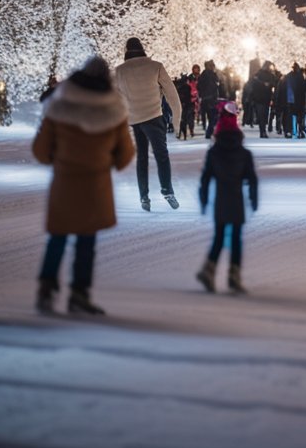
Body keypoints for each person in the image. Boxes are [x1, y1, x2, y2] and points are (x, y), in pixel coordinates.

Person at [32, 56, 134, 315]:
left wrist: (59, 158)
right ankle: (79, 293)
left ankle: (46, 288)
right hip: (95, 184)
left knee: (58, 236)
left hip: (64, 182)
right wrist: (106, 161)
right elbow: (125, 155)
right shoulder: (114, 110)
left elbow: (41, 151)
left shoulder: (59, 106)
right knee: (86, 240)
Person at [196, 102, 259, 294]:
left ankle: (209, 269)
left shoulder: (214, 153)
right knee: (236, 238)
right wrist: (253, 198)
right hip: (236, 199)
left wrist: (204, 199)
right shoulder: (244, 154)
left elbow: (206, 178)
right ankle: (234, 274)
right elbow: (252, 179)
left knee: (219, 236)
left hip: (221, 200)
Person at [113, 38, 182, 211]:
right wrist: (177, 121)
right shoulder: (155, 66)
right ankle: (167, 191)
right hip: (154, 116)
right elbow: (172, 95)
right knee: (161, 154)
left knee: (141, 158)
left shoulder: (119, 71)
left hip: (135, 119)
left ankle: (144, 197)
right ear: (142, 48)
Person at [197, 60, 224, 139]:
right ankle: (209, 132)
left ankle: (209, 130)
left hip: (205, 98)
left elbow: (199, 86)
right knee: (213, 117)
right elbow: (216, 85)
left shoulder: (203, 75)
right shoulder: (211, 75)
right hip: (211, 98)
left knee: (210, 116)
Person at [283, 62, 306, 139]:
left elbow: (284, 88)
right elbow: (304, 88)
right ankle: (300, 130)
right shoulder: (301, 76)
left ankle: (290, 131)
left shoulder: (288, 76)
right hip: (299, 99)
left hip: (290, 99)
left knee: (289, 116)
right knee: (300, 116)